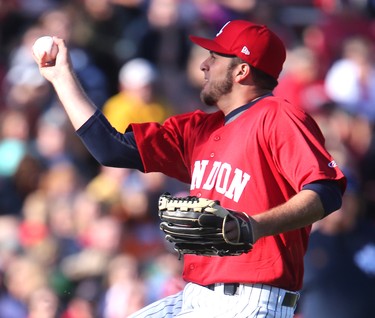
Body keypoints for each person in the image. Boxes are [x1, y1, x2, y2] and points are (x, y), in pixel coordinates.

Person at [34, 20, 346, 318]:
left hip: (253, 298)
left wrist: (254, 226)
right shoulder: (197, 129)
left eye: (214, 57)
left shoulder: (278, 117)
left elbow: (326, 191)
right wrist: (62, 78)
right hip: (195, 295)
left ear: (241, 70)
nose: (203, 65)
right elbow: (111, 149)